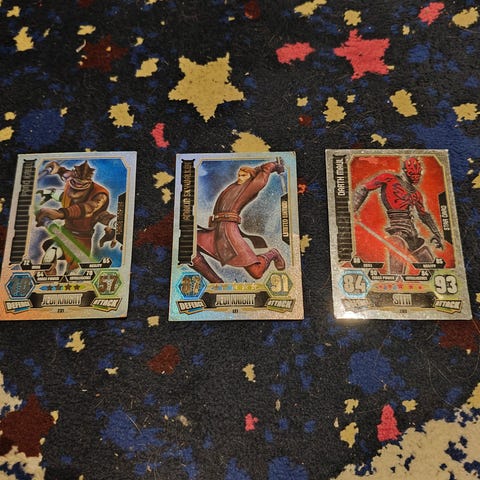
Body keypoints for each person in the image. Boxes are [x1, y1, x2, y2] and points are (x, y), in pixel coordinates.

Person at [191, 161, 286, 283]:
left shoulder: (250, 187)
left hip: (229, 231)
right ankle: (218, 283)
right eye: (239, 175)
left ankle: (273, 253)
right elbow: (253, 172)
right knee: (188, 247)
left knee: (256, 272)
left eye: (243, 176)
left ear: (251, 177)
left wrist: (274, 166)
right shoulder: (234, 187)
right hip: (216, 230)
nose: (239, 178)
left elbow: (263, 175)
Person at [353, 156, 443, 274]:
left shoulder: (416, 194)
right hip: (398, 229)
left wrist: (436, 233)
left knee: (432, 268)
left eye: (418, 174)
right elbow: (364, 188)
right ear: (405, 171)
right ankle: (395, 282)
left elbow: (423, 214)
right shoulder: (389, 179)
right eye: (413, 173)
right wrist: (352, 209)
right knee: (398, 248)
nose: (416, 177)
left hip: (413, 233)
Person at [36, 161, 115, 274]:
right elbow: (66, 176)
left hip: (81, 241)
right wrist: (59, 169)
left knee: (72, 272)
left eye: (81, 184)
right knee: (49, 256)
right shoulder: (71, 179)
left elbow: (88, 208)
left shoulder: (100, 195)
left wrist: (60, 213)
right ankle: (47, 279)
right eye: (75, 182)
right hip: (65, 234)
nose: (76, 188)